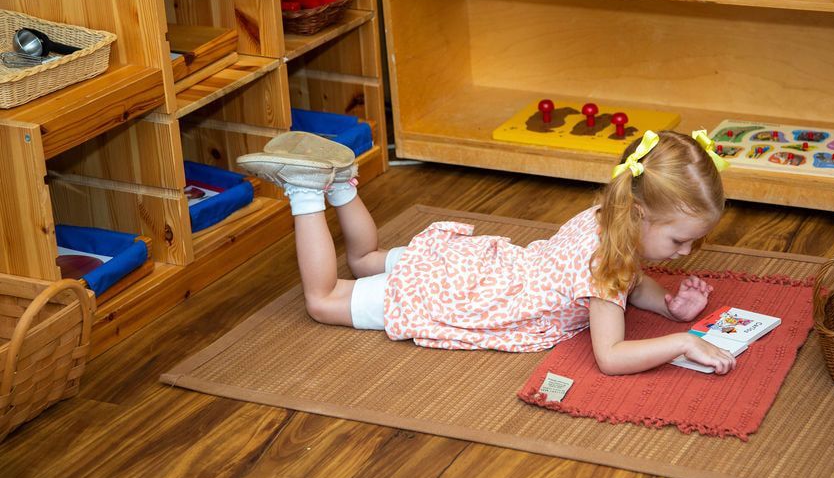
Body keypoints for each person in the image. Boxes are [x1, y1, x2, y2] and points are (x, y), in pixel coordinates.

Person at [237, 129, 737, 376]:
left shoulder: (610, 216)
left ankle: (342, 183)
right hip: (464, 299)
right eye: (679, 240)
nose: (686, 252)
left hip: (479, 270)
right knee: (322, 301)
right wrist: (682, 342)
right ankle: (307, 190)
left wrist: (666, 305)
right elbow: (610, 356)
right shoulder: (605, 265)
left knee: (368, 260)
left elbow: (633, 280)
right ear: (641, 215)